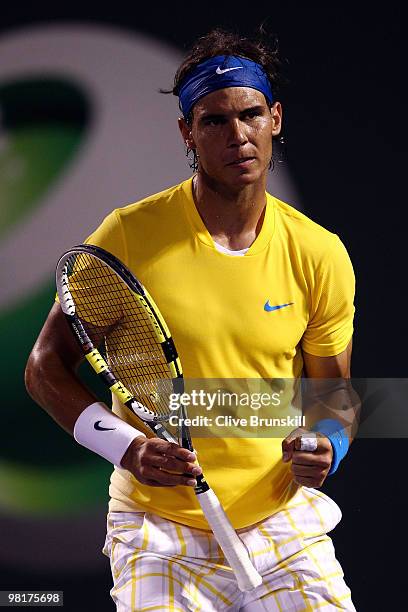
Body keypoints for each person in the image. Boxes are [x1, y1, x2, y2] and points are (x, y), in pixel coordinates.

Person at [25, 28, 359, 611]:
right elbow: (44, 368)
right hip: (159, 533)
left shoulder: (318, 252)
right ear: (187, 131)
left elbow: (333, 391)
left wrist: (328, 441)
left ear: (274, 118)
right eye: (214, 121)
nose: (238, 136)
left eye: (251, 114)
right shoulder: (129, 235)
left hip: (279, 525)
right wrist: (125, 446)